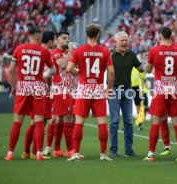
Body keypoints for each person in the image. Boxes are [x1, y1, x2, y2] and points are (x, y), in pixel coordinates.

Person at [4, 27, 56, 161]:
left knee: (17, 121)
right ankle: (38, 153)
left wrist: (13, 86)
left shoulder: (19, 48)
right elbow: (53, 70)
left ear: (29, 36)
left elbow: (11, 70)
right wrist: (47, 82)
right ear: (39, 38)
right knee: (39, 121)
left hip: (23, 86)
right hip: (38, 87)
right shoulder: (44, 51)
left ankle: (10, 153)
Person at [67, 23, 115, 161]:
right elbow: (111, 71)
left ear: (86, 35)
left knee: (79, 123)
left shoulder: (79, 50)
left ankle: (75, 153)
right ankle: (103, 154)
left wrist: (79, 72)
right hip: (98, 89)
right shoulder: (104, 51)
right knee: (102, 123)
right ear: (98, 35)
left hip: (83, 90)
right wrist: (109, 88)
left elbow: (69, 68)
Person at [144, 27, 177, 162]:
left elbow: (149, 70)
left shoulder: (154, 50)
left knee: (155, 121)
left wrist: (148, 63)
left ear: (160, 36)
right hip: (175, 89)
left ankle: (151, 154)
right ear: (171, 36)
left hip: (161, 90)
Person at [21, 31, 56, 160]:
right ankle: (35, 152)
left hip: (31, 88)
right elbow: (48, 73)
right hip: (42, 90)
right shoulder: (45, 52)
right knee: (40, 121)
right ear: (50, 41)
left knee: (34, 122)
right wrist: (50, 87)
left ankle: (27, 151)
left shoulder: (36, 51)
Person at [109, 31, 143, 157]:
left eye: (126, 40)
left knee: (128, 120)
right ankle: (113, 149)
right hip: (114, 89)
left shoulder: (131, 54)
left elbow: (141, 68)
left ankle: (129, 149)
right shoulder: (110, 55)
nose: (124, 42)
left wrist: (148, 61)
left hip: (128, 90)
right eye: (122, 40)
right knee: (114, 120)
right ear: (116, 42)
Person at [51, 31, 77, 157]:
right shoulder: (56, 53)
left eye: (68, 38)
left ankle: (57, 149)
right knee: (69, 118)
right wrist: (71, 50)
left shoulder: (66, 53)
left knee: (60, 119)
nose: (67, 40)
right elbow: (63, 65)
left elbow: (72, 68)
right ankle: (71, 150)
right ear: (57, 40)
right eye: (64, 38)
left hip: (70, 90)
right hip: (62, 89)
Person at [131, 62, 146, 131]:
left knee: (138, 107)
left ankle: (139, 124)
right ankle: (126, 124)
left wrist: (142, 90)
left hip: (136, 88)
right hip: (126, 87)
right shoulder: (127, 66)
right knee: (125, 106)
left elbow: (142, 79)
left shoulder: (138, 67)